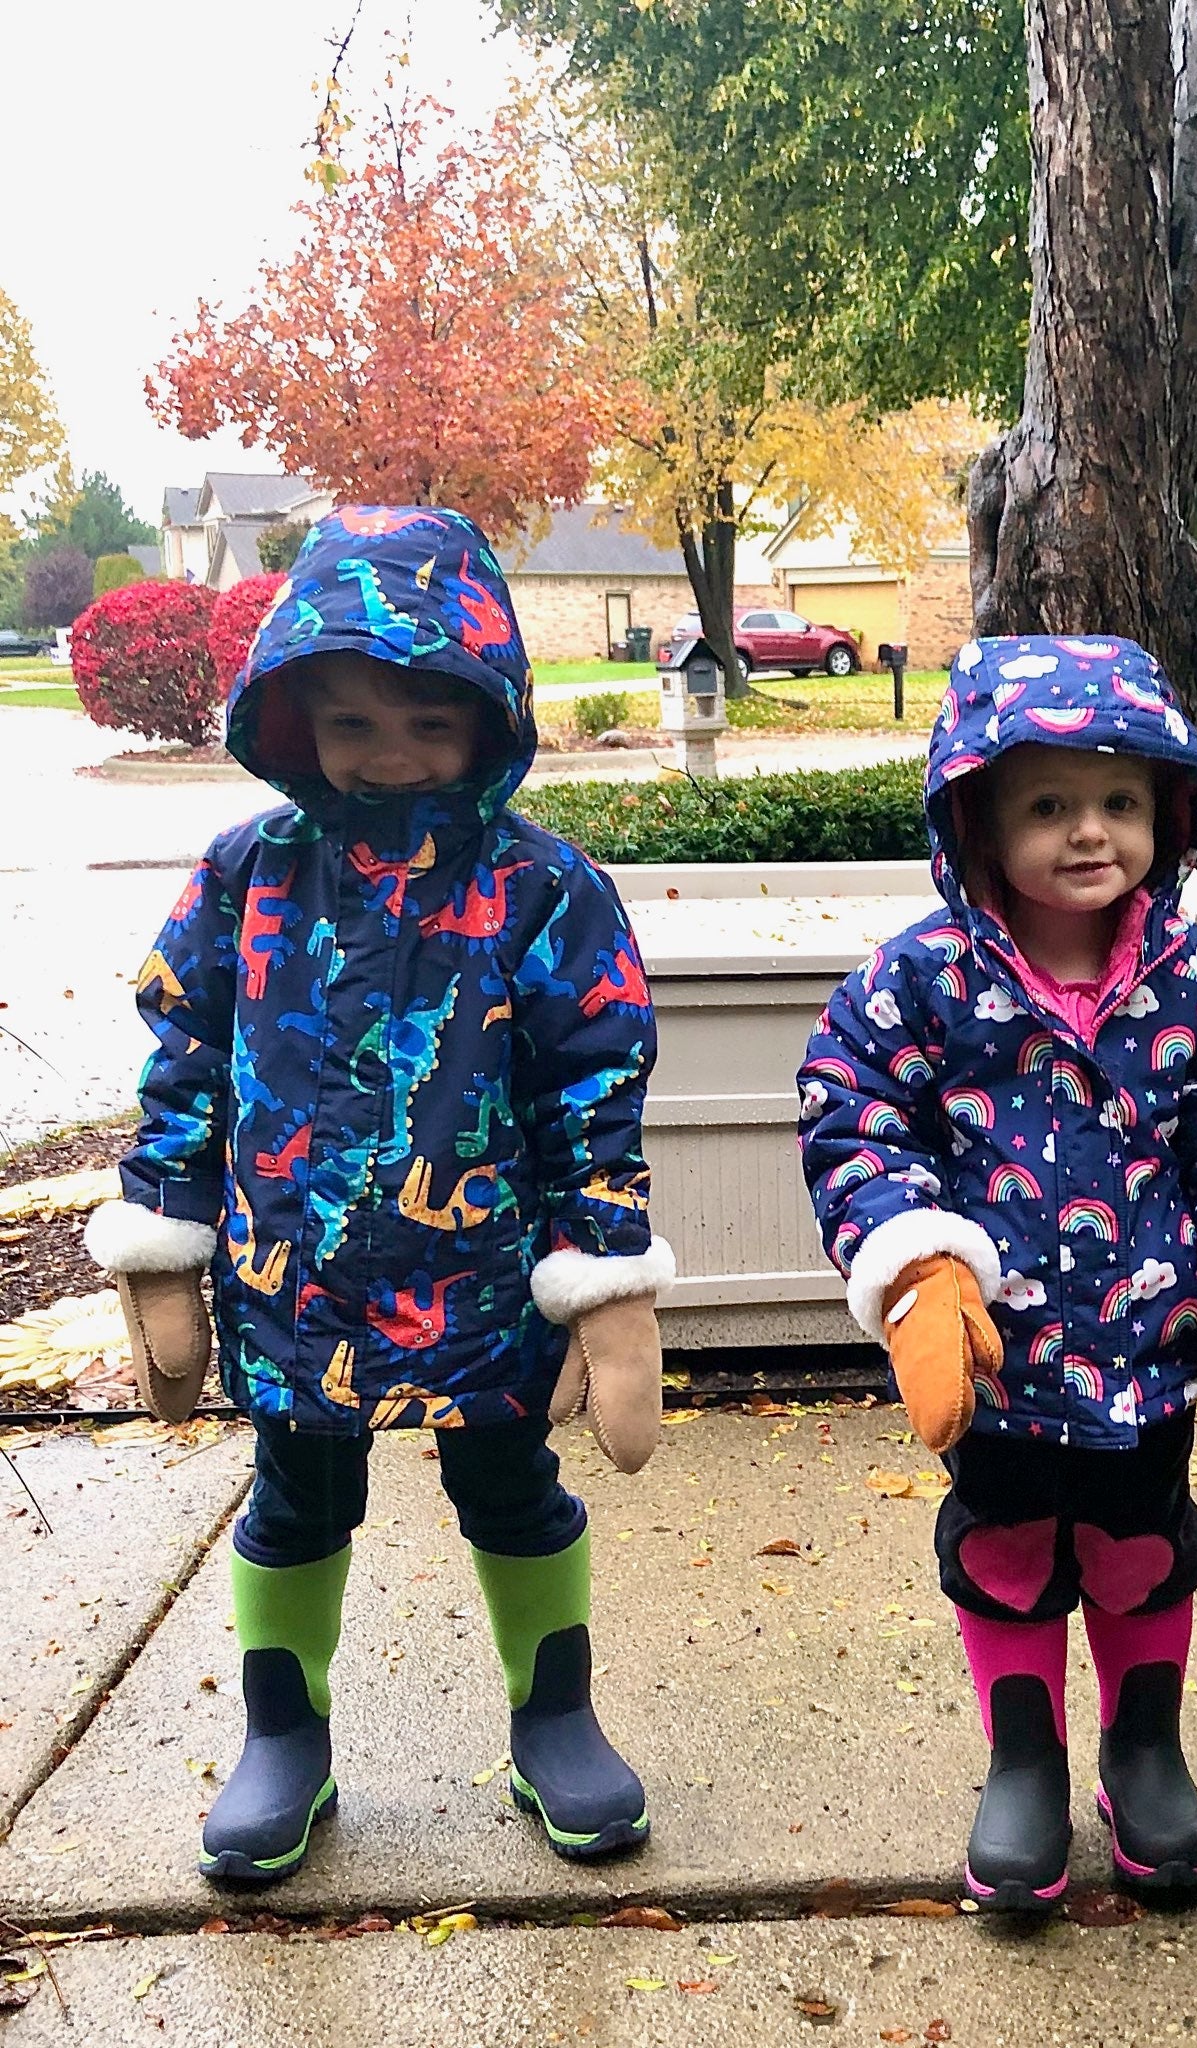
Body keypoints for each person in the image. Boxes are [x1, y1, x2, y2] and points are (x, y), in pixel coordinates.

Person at [85, 506, 672, 1884]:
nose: (390, 756)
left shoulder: (543, 887)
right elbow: (182, 1054)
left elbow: (595, 1081)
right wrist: (162, 1249)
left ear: (488, 715)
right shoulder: (247, 876)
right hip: (295, 1283)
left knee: (511, 1487)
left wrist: (607, 1279)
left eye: (427, 721)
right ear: (294, 723)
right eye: (350, 725)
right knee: (295, 1503)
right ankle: (285, 1737)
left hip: (481, 1279)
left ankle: (556, 1717)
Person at [799, 634, 1197, 1911]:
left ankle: (1142, 1746)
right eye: (1048, 803)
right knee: (1003, 1549)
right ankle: (1025, 1761)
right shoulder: (920, 984)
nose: (1089, 832)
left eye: (1118, 800)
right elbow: (851, 1113)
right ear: (979, 825)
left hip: (1152, 1358)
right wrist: (914, 1259)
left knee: (1139, 1547)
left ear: (1168, 812)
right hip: (993, 1360)